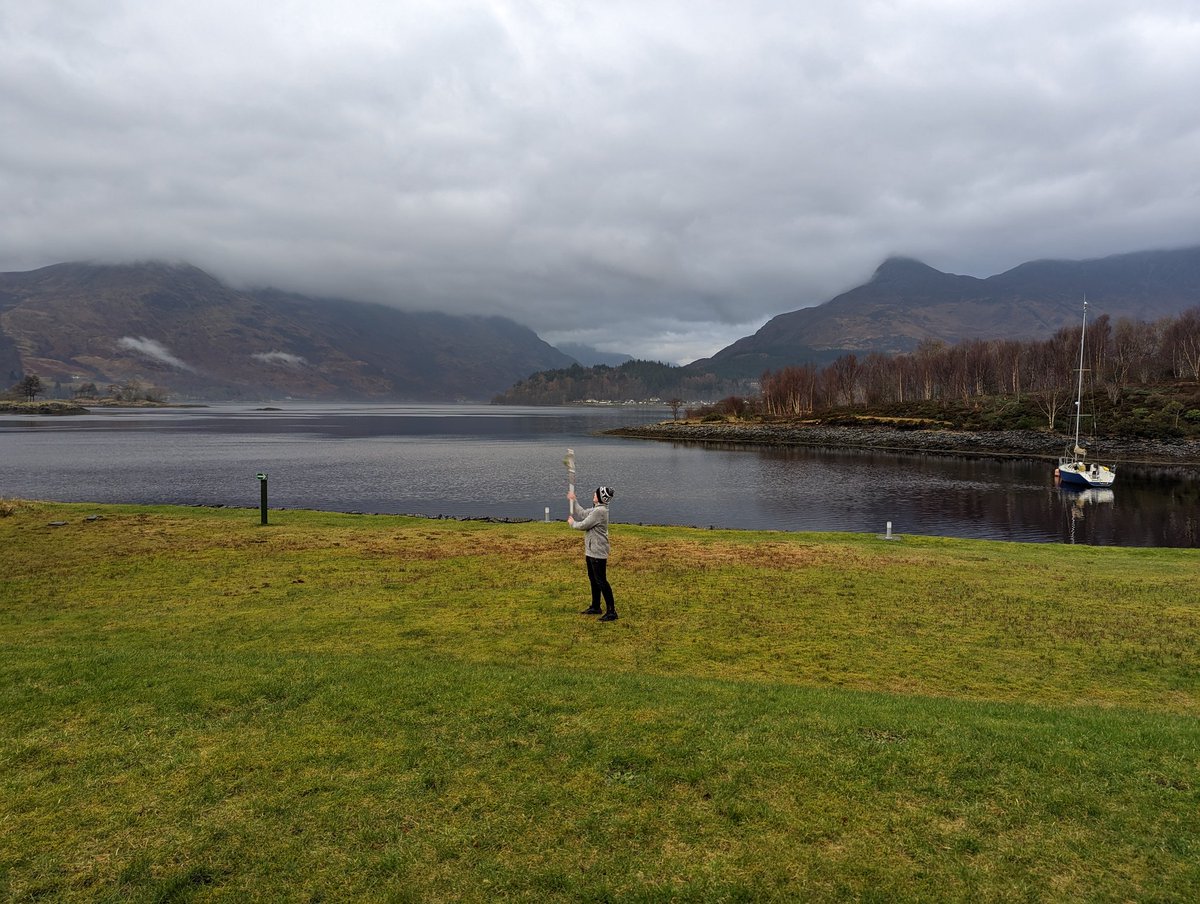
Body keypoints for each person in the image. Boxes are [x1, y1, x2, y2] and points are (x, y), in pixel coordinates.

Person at [568, 485, 618, 621]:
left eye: (596, 494)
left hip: (598, 552)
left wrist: (572, 523)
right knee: (593, 579)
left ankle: (612, 612)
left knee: (601, 581)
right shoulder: (597, 509)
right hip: (591, 551)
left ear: (601, 498)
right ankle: (596, 606)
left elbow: (584, 524)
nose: (593, 495)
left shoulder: (599, 512)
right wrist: (574, 500)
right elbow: (583, 513)